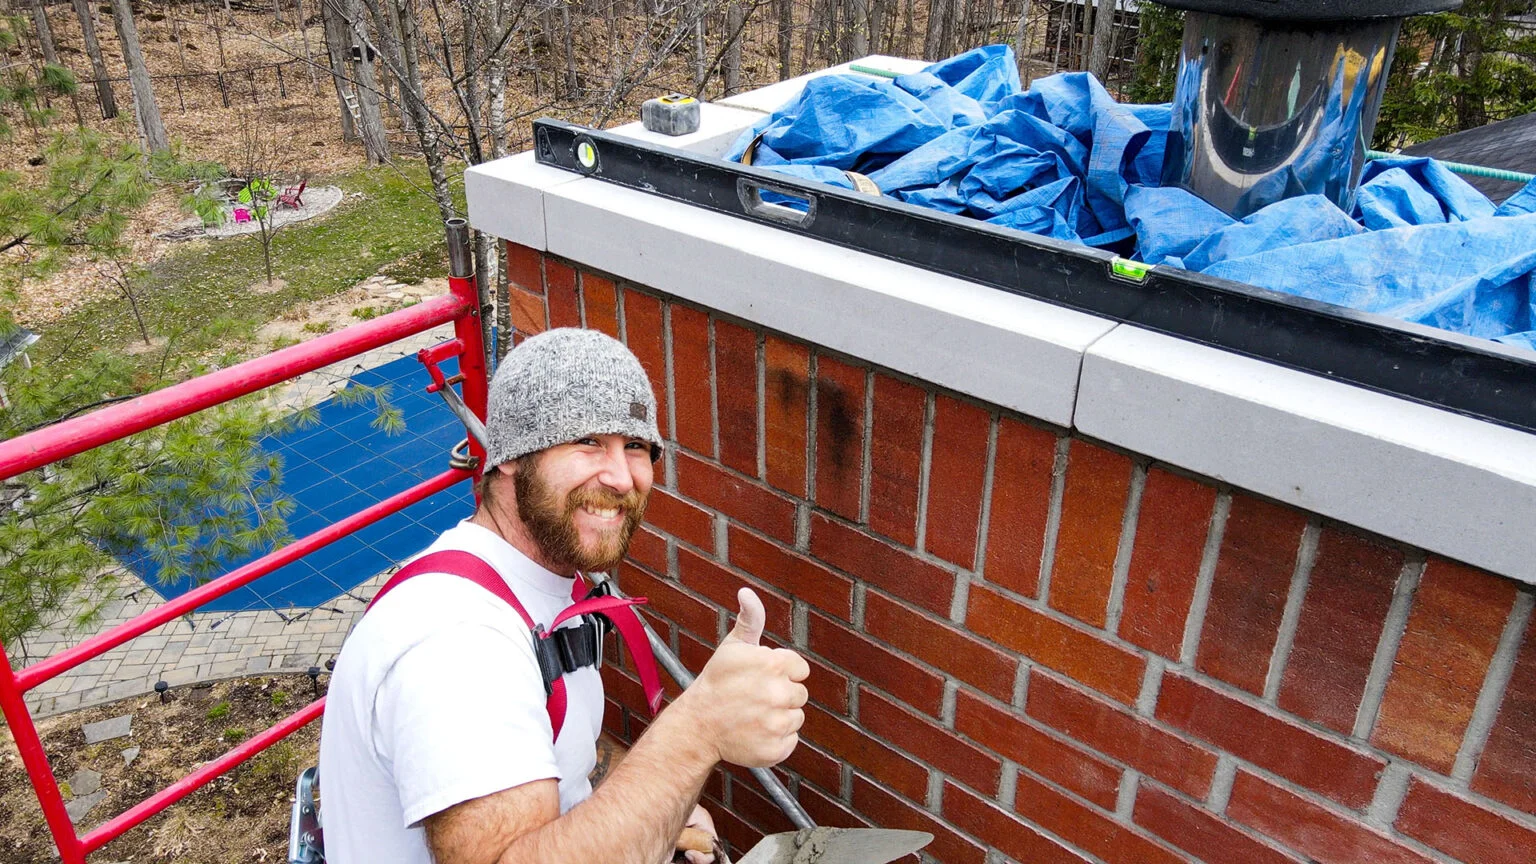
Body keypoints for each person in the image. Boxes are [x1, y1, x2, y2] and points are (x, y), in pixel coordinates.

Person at [318, 328, 810, 864]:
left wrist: (664, 808)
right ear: (510, 456)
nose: (622, 477)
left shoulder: (537, 579)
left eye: (637, 447)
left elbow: (567, 753)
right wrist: (697, 731)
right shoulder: (458, 646)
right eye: (588, 441)